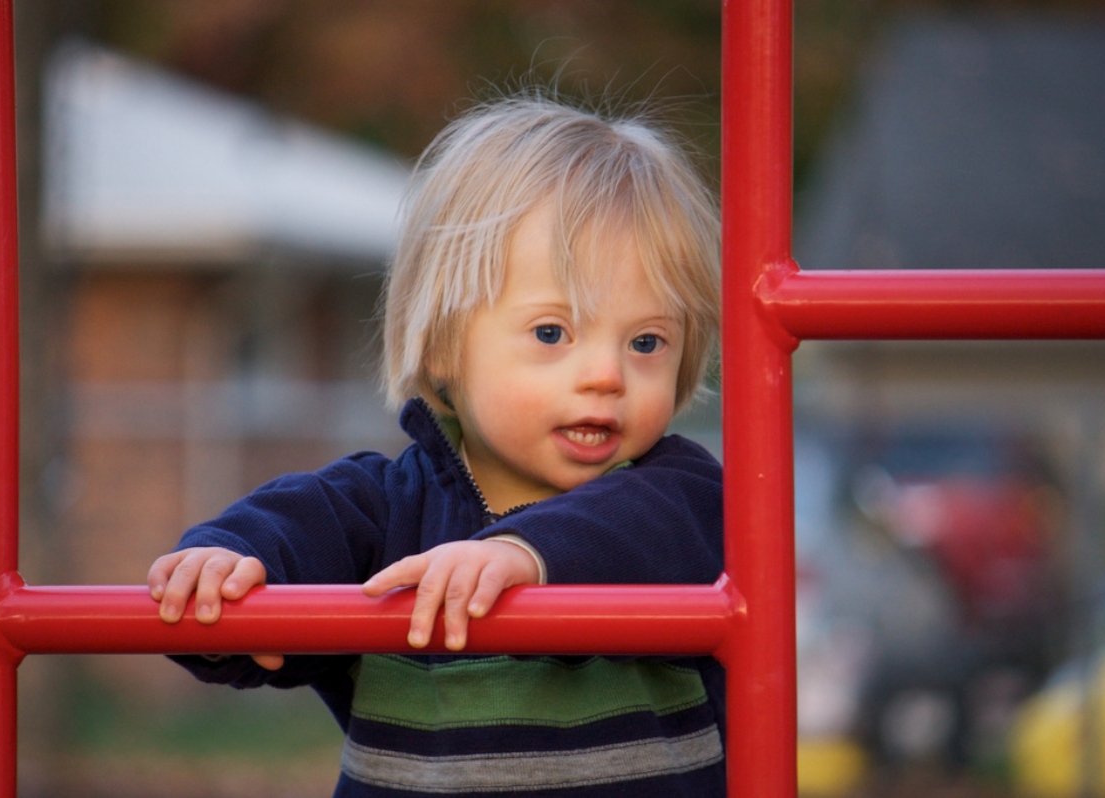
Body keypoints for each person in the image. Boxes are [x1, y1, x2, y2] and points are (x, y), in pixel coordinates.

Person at [147, 92, 725, 796]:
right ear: (447, 345)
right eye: (552, 333)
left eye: (646, 342)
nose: (606, 374)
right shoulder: (389, 512)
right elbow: (290, 533)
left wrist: (521, 556)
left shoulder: (683, 499)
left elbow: (635, 531)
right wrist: (223, 569)